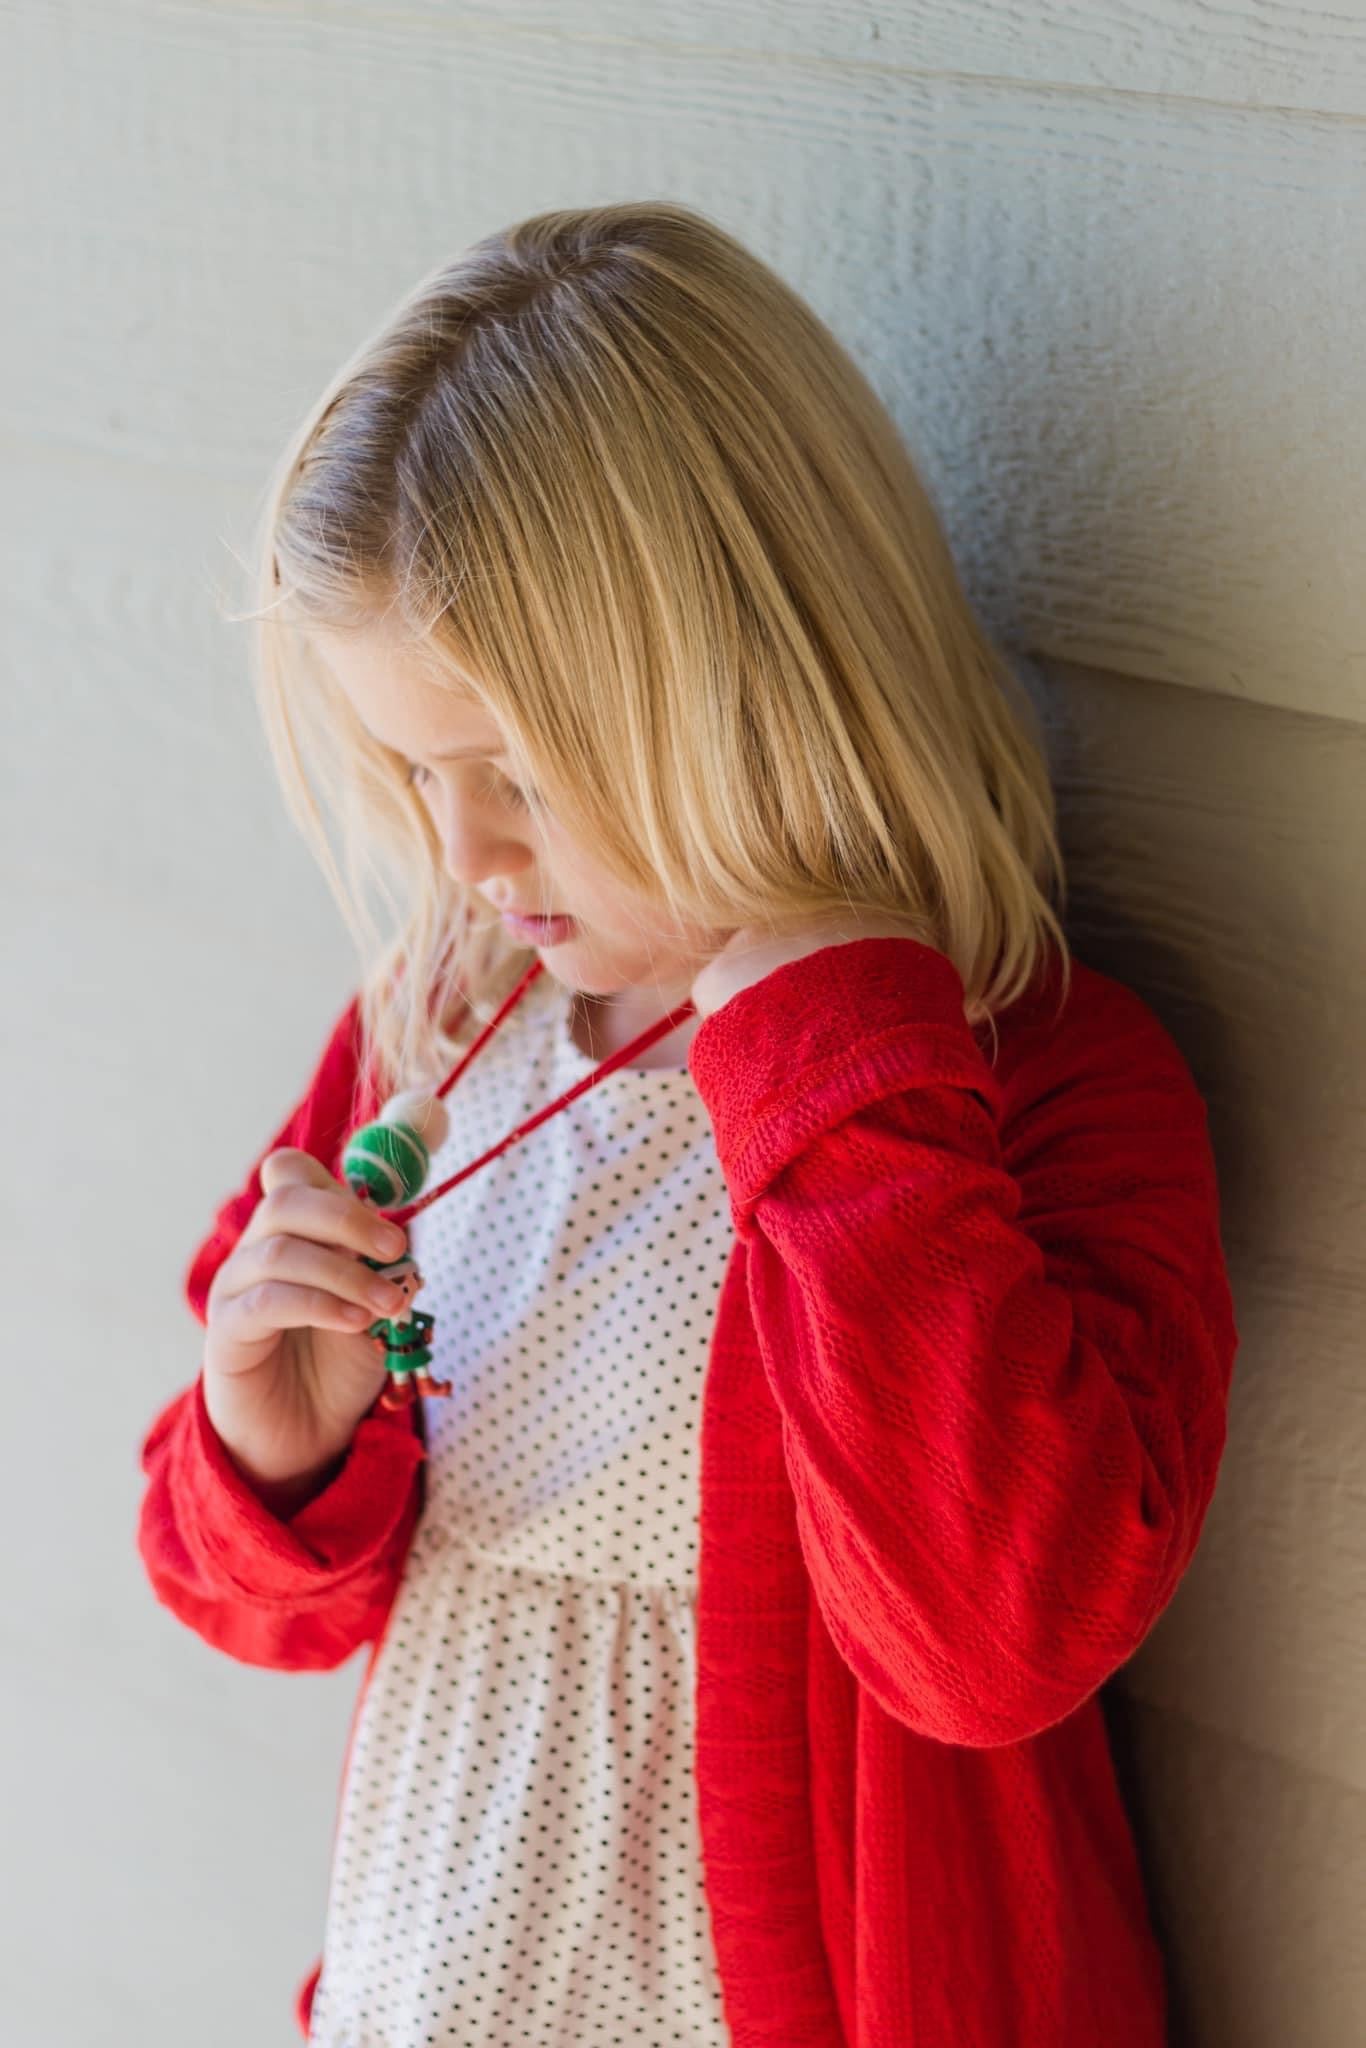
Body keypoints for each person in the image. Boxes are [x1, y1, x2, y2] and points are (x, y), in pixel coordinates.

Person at [135, 200, 1239, 2047]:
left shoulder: (1027, 1083)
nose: (465, 854)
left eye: (521, 772)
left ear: (752, 684)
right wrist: (271, 1443)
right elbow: (263, 1612)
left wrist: (826, 1043)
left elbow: (994, 1643)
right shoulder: (432, 1035)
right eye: (415, 771)